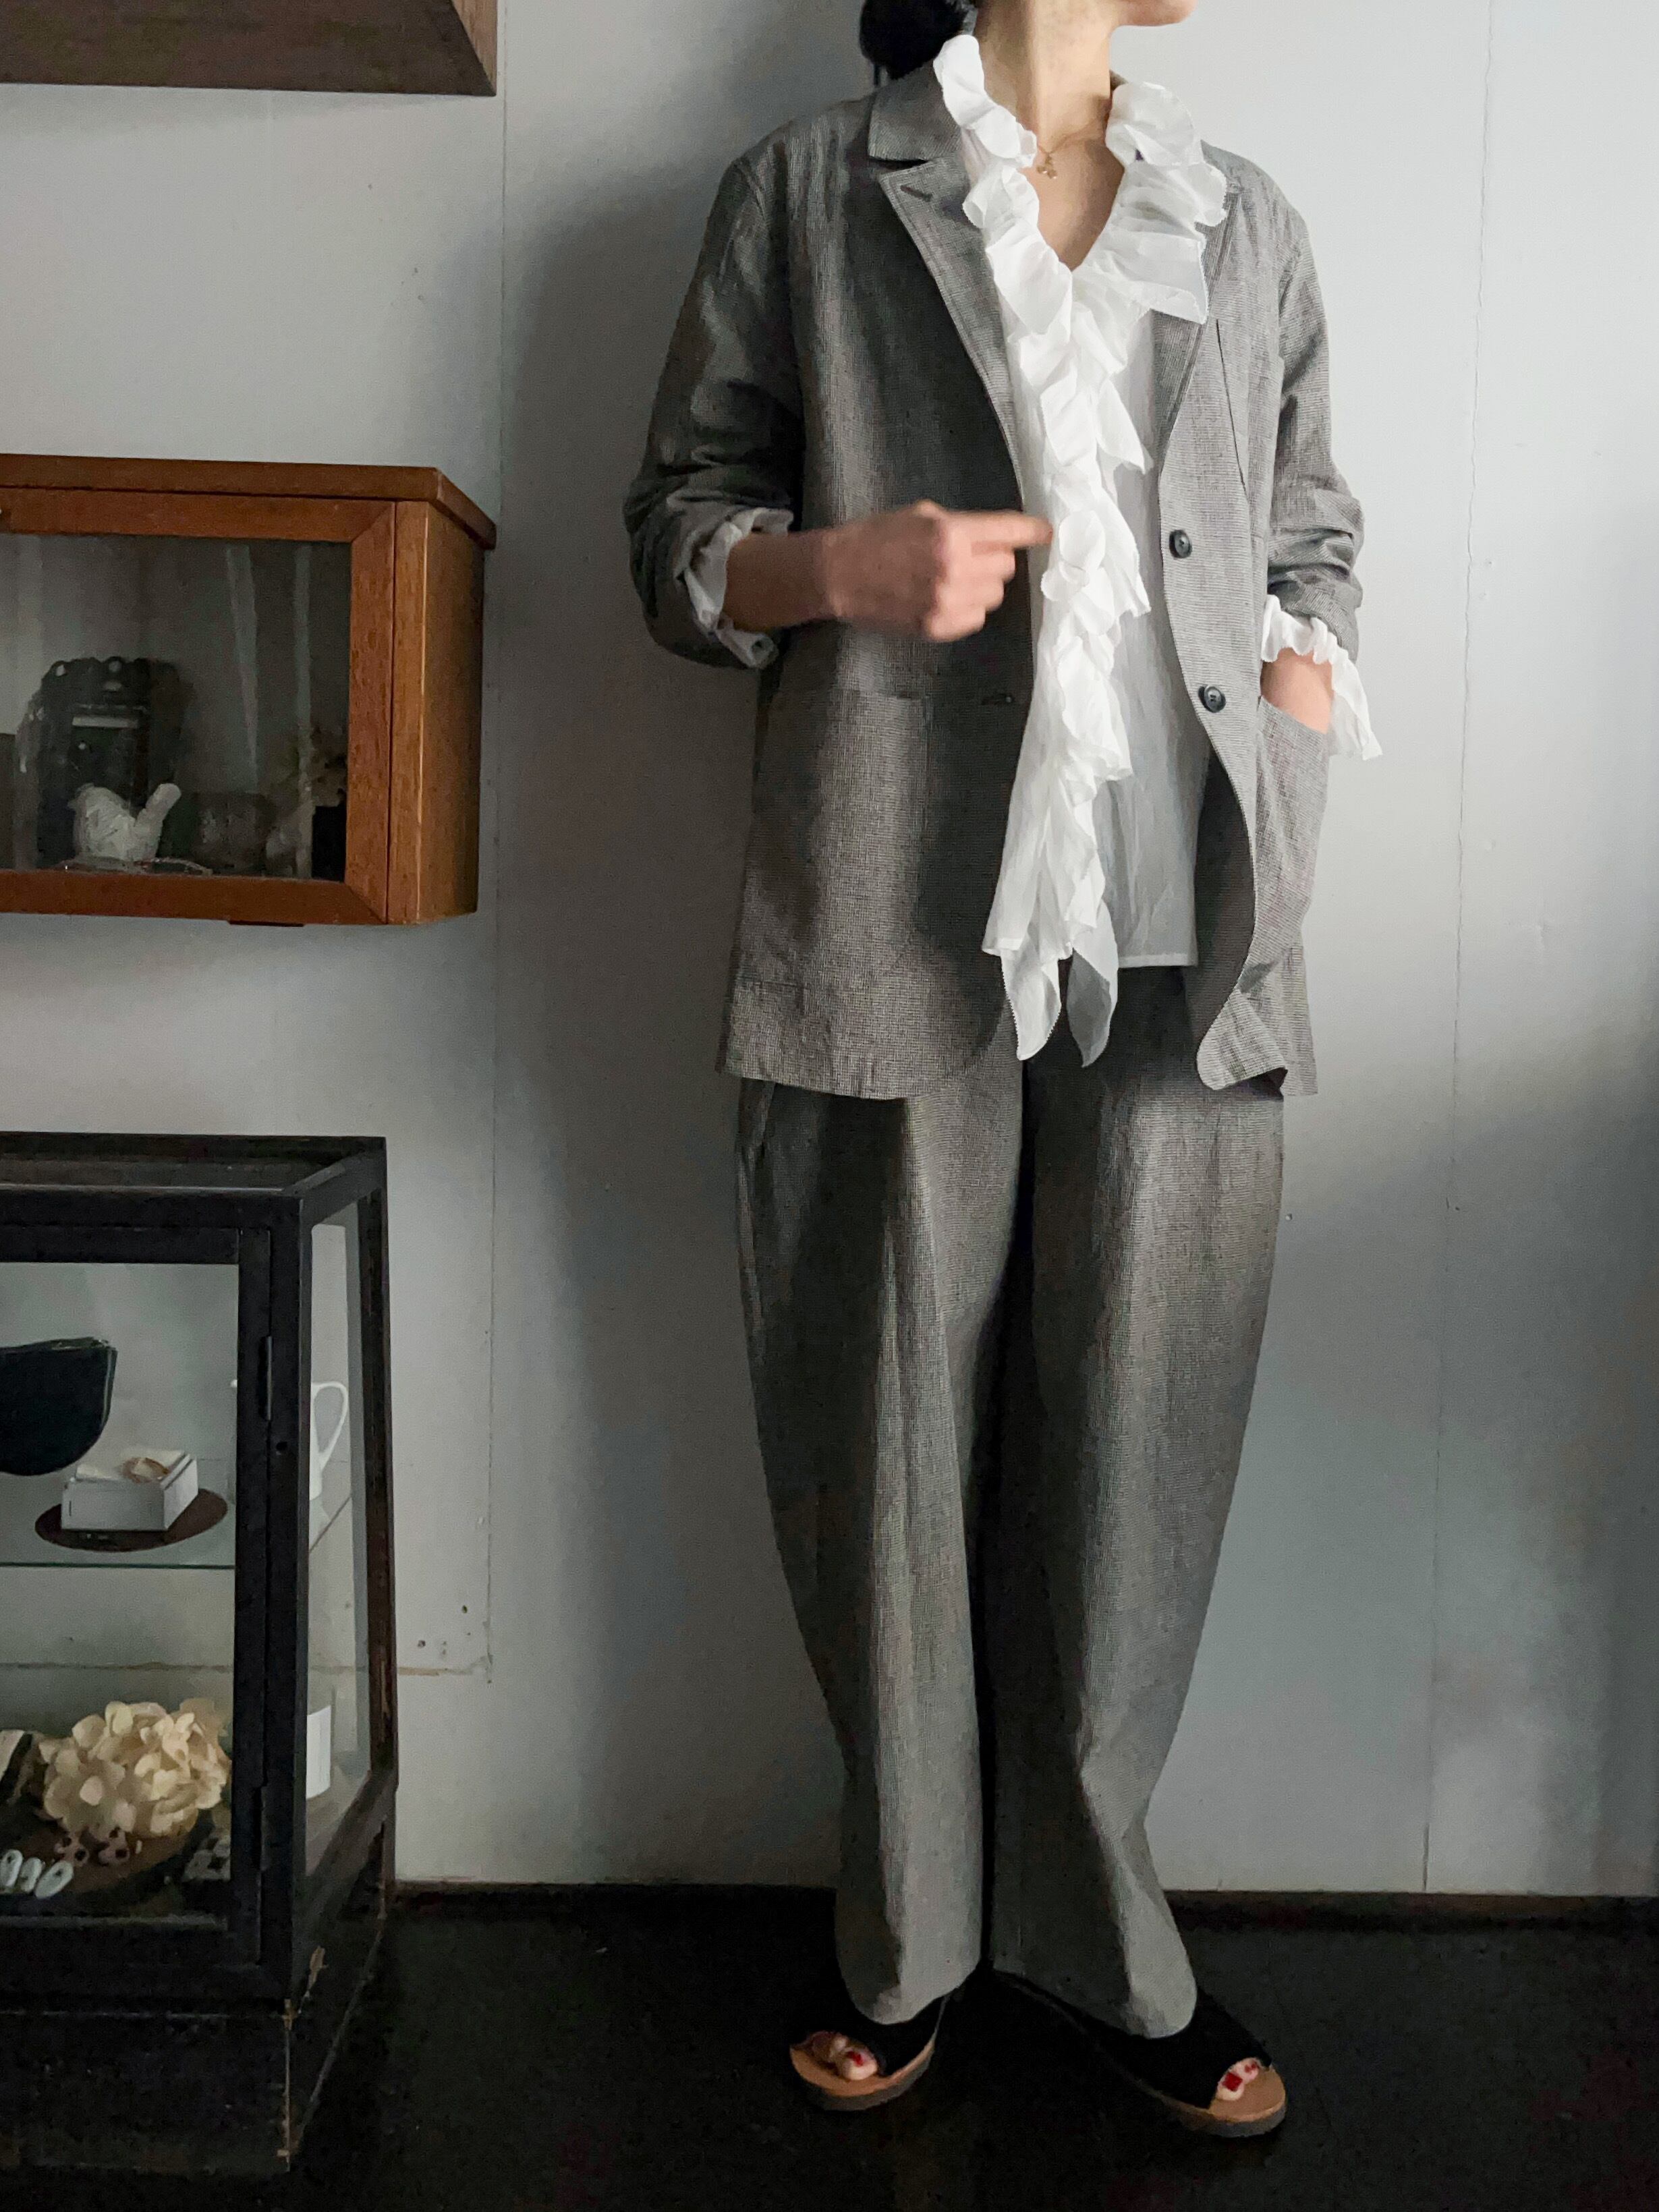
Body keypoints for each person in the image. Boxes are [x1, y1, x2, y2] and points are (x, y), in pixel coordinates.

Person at [626, 0, 1376, 2141]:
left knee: (1138, 1441)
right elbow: (672, 520)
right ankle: (908, 1937)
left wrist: (1295, 708)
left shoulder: (1240, 222)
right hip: (892, 900)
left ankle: (1098, 1939)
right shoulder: (807, 191)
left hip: (1186, 923)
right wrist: (835, 570)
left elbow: (1311, 527)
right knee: (879, 1437)